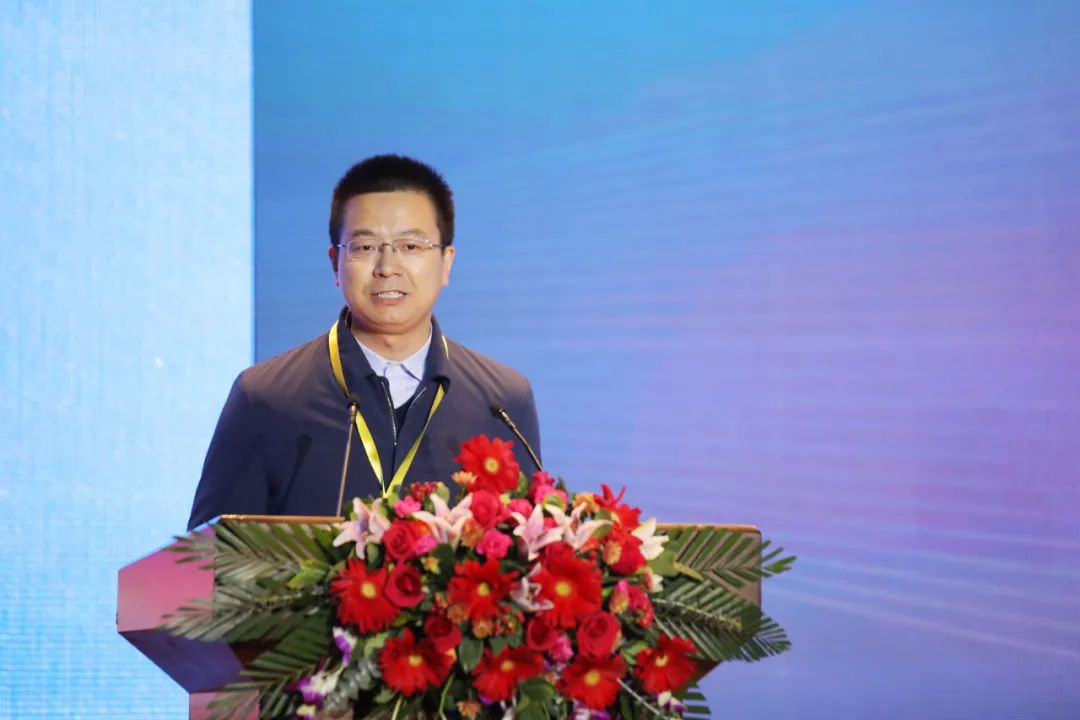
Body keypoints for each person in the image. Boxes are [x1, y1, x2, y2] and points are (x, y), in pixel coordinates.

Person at [187, 154, 541, 530]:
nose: (387, 268)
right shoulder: (265, 398)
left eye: (410, 246)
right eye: (365, 247)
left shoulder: (502, 403)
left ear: (446, 262)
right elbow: (207, 559)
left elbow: (526, 549)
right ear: (334, 264)